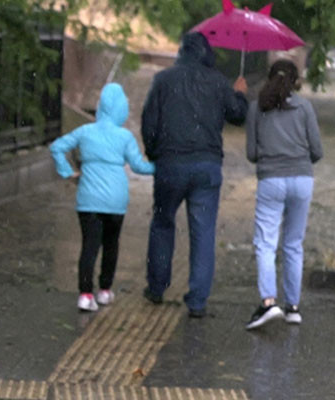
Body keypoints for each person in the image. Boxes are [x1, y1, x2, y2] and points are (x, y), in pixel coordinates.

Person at [141, 32, 249, 318]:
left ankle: (156, 287)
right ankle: (197, 301)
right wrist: (239, 93)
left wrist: (155, 155)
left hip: (170, 164)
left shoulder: (164, 80)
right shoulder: (218, 82)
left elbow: (149, 122)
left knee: (163, 224)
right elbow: (238, 115)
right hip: (207, 167)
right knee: (203, 234)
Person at [50, 83, 156, 312]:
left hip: (88, 201)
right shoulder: (125, 137)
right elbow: (139, 167)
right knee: (111, 246)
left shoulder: (85, 131)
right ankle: (105, 291)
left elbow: (57, 147)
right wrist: (161, 167)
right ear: (120, 108)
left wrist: (67, 172)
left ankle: (85, 294)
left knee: (89, 246)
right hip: (116, 202)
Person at [244, 60, 322, 330]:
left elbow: (252, 154)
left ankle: (268, 302)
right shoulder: (304, 107)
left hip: (271, 181)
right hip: (302, 179)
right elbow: (317, 151)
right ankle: (293, 308)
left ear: (268, 79)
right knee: (293, 244)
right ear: (296, 81)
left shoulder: (256, 108)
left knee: (266, 243)